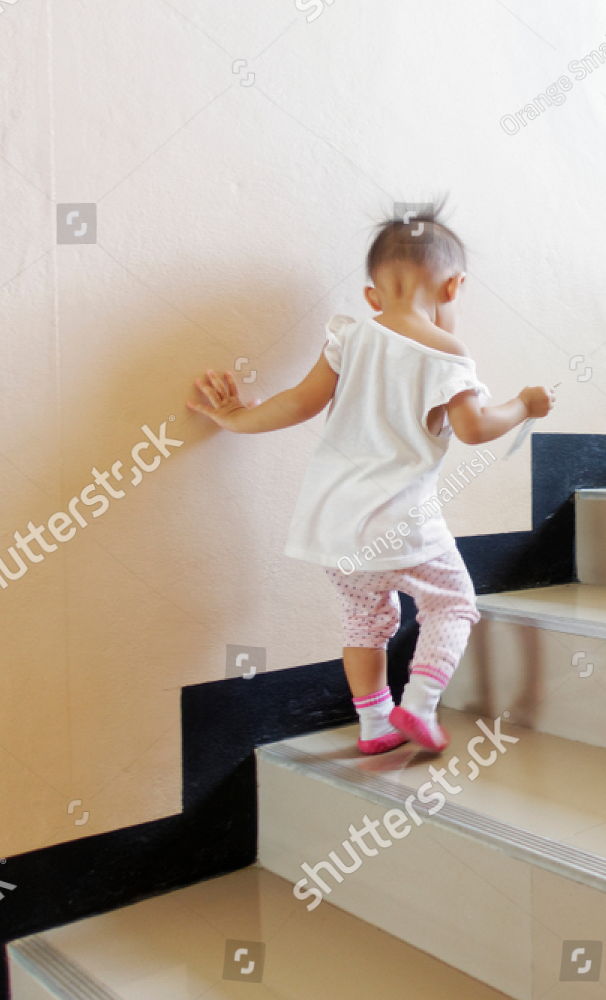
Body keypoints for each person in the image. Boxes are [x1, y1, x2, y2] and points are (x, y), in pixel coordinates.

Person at [188, 201, 554, 755]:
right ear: (454, 288)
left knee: (364, 623)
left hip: (335, 528)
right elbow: (475, 428)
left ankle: (375, 724)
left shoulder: (349, 337)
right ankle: (419, 705)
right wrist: (523, 405)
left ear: (372, 297)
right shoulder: (448, 353)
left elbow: (297, 404)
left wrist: (236, 417)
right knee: (452, 603)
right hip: (402, 522)